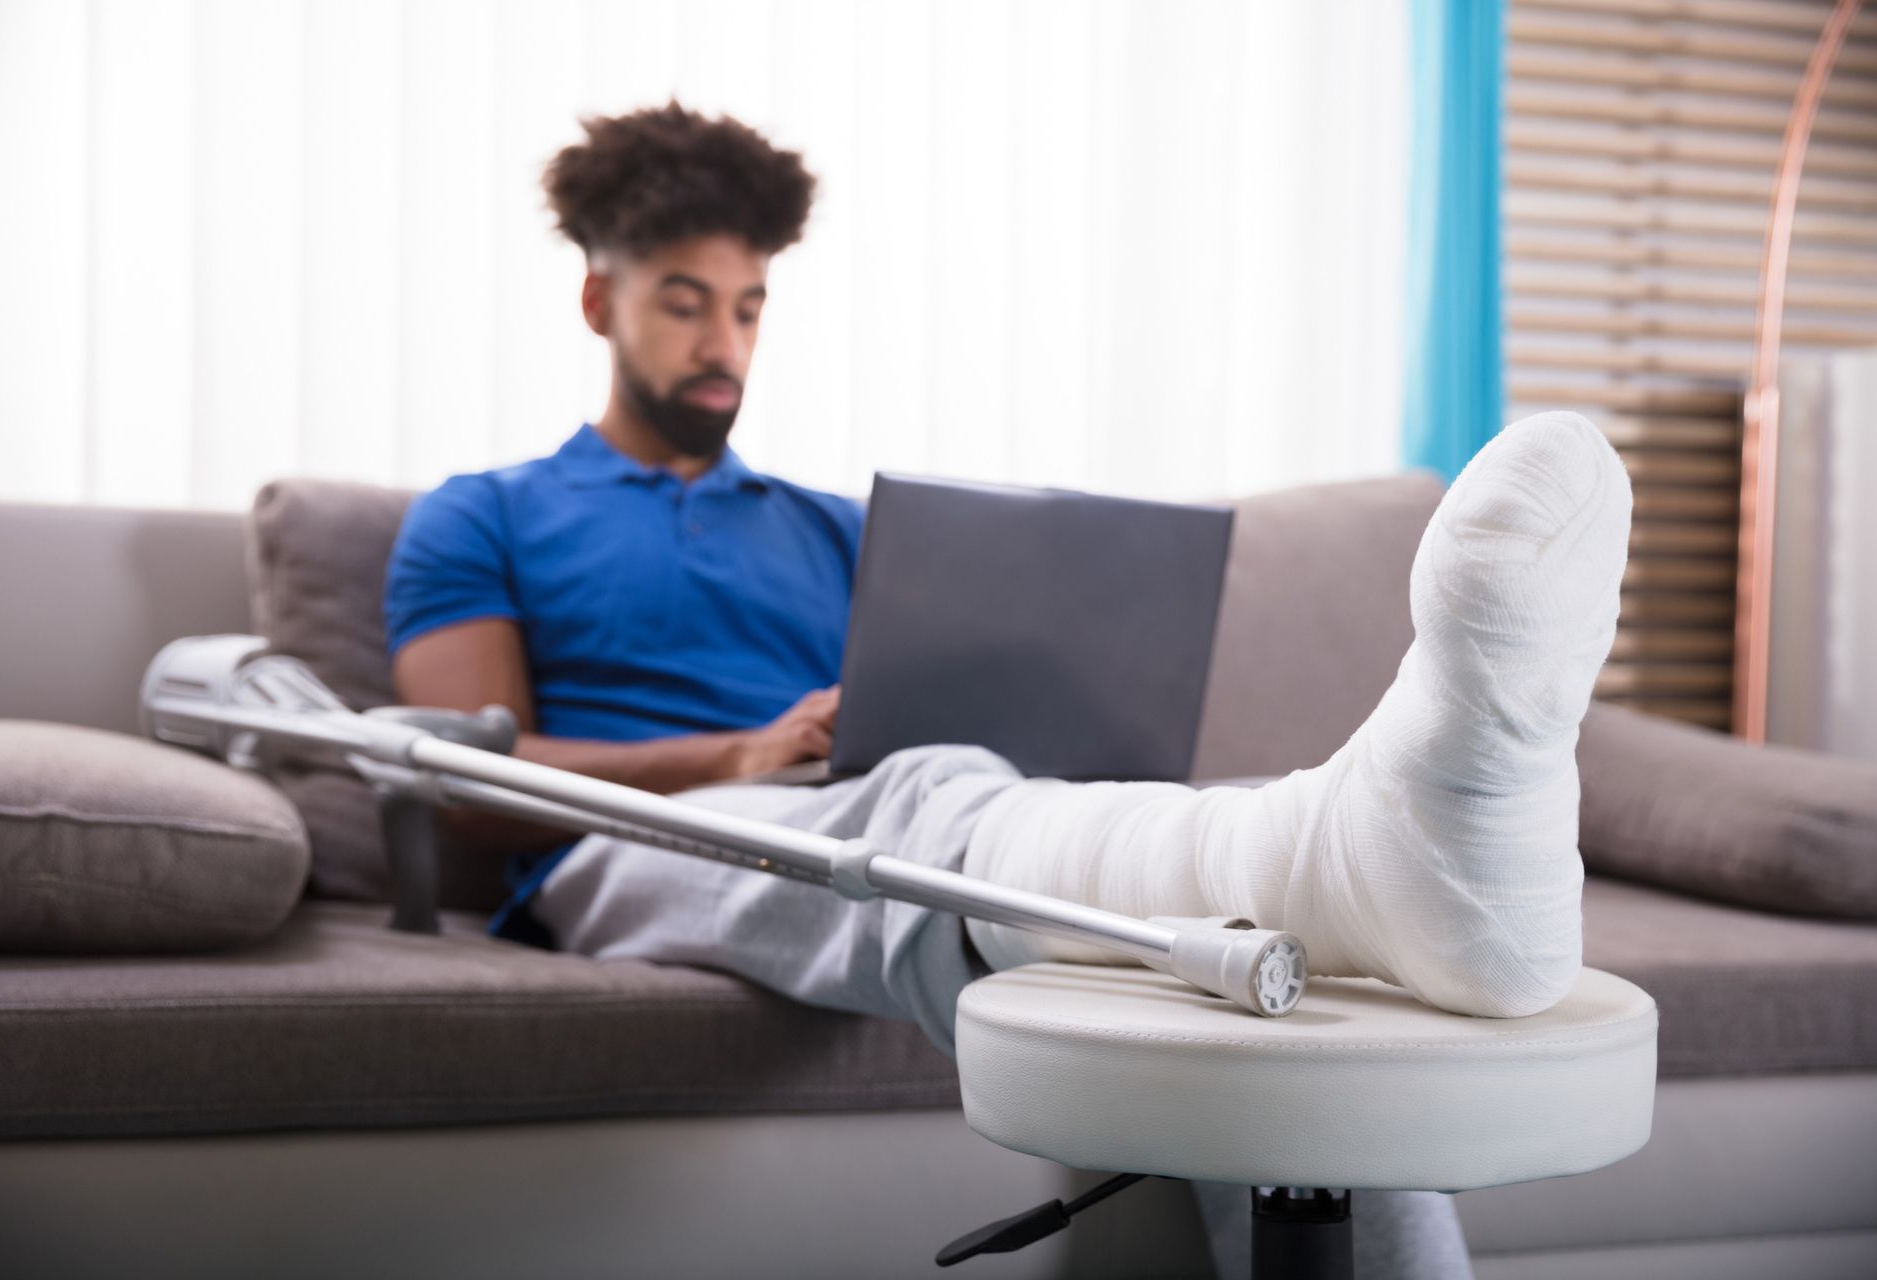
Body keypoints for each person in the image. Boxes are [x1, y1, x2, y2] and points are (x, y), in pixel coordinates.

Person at [387, 103, 1632, 1280]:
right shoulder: (484, 513)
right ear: (600, 298)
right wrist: (740, 755)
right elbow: (468, 790)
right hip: (634, 850)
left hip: (878, 807)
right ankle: (1321, 852)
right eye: (686, 304)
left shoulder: (830, 526)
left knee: (1298, 976)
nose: (725, 346)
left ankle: (1338, 864)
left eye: (751, 308)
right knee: (952, 795)